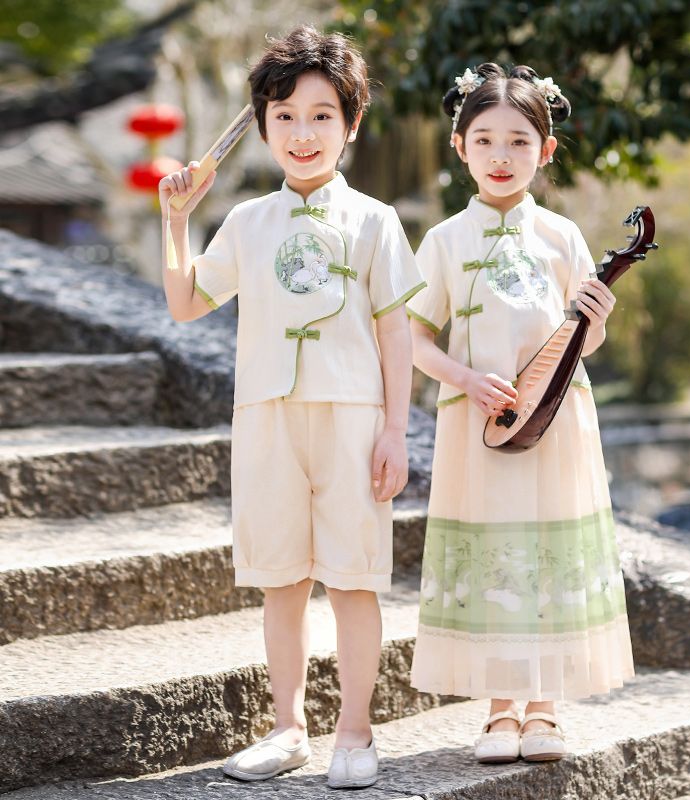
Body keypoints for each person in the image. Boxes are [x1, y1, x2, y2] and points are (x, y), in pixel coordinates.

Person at [158, 26, 424, 789]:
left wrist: (396, 433)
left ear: (350, 124)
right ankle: (287, 729)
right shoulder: (245, 223)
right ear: (264, 124)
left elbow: (395, 333)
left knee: (354, 580)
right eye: (283, 117)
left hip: (352, 418)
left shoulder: (374, 221)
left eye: (319, 116)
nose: (301, 134)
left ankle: (356, 733)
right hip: (266, 418)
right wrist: (176, 220)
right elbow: (184, 304)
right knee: (283, 581)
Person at [406, 63, 635, 764]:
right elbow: (412, 339)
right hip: (475, 423)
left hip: (557, 422)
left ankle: (545, 709)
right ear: (459, 146)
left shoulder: (562, 235)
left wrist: (598, 319)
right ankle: (499, 710)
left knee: (546, 546)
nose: (501, 157)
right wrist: (465, 378)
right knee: (493, 545)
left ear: (546, 151)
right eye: (485, 141)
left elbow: (580, 342)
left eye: (518, 142)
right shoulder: (445, 240)